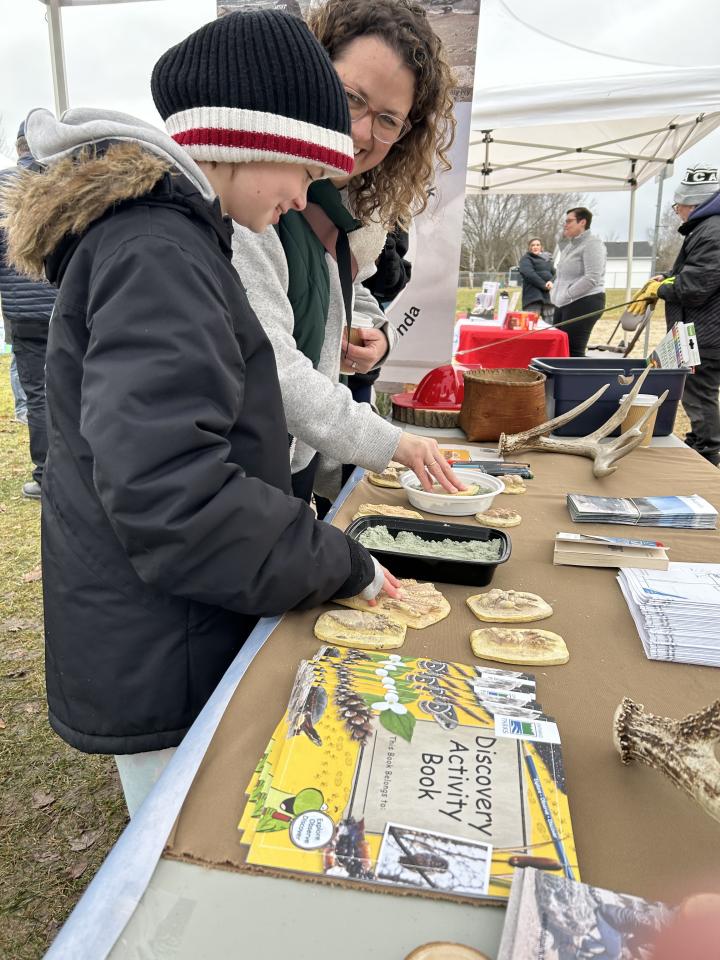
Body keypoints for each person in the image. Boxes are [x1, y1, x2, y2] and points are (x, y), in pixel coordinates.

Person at [1, 10, 401, 815]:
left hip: (166, 626)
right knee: (181, 836)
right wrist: (339, 562)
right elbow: (173, 494)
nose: (304, 195)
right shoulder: (158, 253)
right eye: (303, 165)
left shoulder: (176, 240)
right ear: (246, 138)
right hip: (160, 646)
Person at [233, 0, 461, 505]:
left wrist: (376, 335)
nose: (360, 131)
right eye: (350, 97)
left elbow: (346, 286)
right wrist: (391, 442)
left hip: (296, 452)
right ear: (310, 76)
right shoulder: (251, 200)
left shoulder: (350, 203)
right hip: (246, 464)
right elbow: (269, 361)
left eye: (387, 119)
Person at [629, 164, 720, 466]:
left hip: (707, 332)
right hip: (702, 328)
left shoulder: (713, 231)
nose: (677, 212)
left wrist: (662, 289)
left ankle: (707, 451)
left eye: (677, 206)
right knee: (697, 392)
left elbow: (696, 285)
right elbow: (689, 273)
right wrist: (664, 278)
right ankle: (701, 440)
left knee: (700, 393)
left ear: (691, 204)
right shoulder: (706, 229)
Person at [0, 122, 56, 499]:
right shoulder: (63, 181)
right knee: (82, 384)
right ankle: (88, 468)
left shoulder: (3, 188)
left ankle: (46, 476)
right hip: (65, 305)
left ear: (19, 147)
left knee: (37, 394)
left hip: (22, 313)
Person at [551, 207, 607, 357]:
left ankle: (576, 381)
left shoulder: (592, 244)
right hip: (564, 303)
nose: (565, 225)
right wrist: (555, 293)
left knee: (572, 351)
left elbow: (592, 277)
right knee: (557, 348)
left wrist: (567, 293)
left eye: (569, 221)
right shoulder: (570, 246)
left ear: (582, 222)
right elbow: (562, 275)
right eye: (565, 221)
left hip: (584, 302)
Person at [518, 237, 555, 320]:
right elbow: (528, 274)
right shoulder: (526, 259)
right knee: (530, 325)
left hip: (548, 298)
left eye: (538, 245)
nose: (535, 247)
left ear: (541, 247)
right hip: (533, 297)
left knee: (551, 326)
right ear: (529, 247)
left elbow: (556, 274)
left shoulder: (547, 260)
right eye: (533, 245)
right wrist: (544, 285)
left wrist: (551, 282)